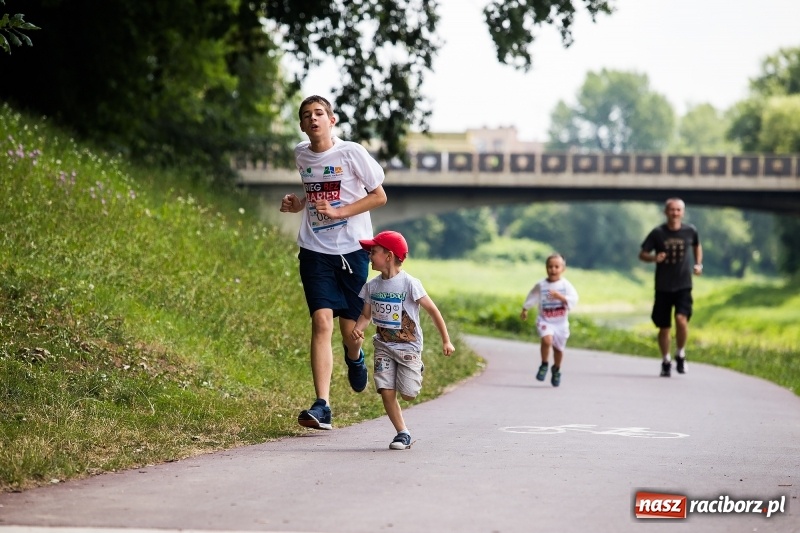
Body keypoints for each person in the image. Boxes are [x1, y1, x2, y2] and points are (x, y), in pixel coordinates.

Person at [280, 95, 387, 430]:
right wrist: (298, 204)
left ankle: (355, 358)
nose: (313, 119)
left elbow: (379, 196)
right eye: (307, 115)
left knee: (350, 331)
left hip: (352, 252)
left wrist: (339, 211)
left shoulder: (351, 153)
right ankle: (322, 405)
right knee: (322, 322)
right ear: (301, 124)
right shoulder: (301, 154)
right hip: (314, 250)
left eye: (319, 113)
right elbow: (313, 196)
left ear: (332, 120)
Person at [351, 230, 455, 450]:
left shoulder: (409, 284)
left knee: (408, 394)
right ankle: (402, 433)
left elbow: (433, 311)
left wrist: (446, 340)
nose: (369, 256)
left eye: (374, 252)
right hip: (383, 346)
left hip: (408, 346)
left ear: (389, 256)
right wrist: (358, 329)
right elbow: (366, 315)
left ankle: (416, 367)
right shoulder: (372, 285)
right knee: (386, 390)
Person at [639, 197, 703, 378]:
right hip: (663, 286)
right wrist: (653, 258)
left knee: (682, 320)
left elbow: (697, 246)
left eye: (678, 210)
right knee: (664, 327)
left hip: (683, 285)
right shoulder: (658, 233)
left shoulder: (690, 231)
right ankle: (666, 360)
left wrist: (699, 264)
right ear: (665, 212)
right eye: (671, 209)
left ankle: (680, 353)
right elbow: (642, 254)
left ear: (682, 212)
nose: (675, 213)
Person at [520, 253, 579, 387]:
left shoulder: (565, 286)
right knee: (547, 340)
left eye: (557, 267)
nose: (553, 269)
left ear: (563, 269)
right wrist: (525, 308)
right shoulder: (542, 285)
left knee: (559, 349)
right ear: (546, 268)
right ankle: (544, 364)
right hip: (545, 319)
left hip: (560, 322)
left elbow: (574, 299)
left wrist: (561, 297)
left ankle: (556, 369)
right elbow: (533, 296)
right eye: (550, 266)